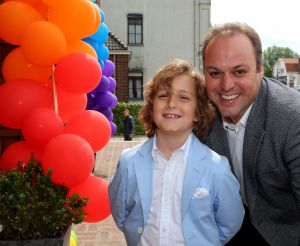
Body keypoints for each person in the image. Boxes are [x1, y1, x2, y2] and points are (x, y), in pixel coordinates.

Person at [108, 59, 244, 246]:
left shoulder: (217, 168)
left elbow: (230, 222)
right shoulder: (128, 162)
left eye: (184, 97)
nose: (172, 103)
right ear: (151, 105)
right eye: (163, 95)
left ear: (198, 112)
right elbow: (121, 214)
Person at [202, 22, 300, 246]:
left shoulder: (293, 120)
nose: (226, 85)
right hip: (227, 229)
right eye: (215, 73)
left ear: (260, 69)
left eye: (239, 71)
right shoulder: (199, 109)